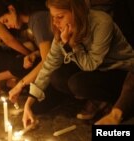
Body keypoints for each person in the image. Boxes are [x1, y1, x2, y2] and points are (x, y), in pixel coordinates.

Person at [22, 0, 134, 128]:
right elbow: (49, 64)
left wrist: (70, 45)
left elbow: (91, 64)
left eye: (60, 17)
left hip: (121, 71)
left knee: (77, 83)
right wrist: (28, 103)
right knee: (57, 75)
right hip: (97, 71)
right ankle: (97, 99)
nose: (55, 22)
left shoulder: (101, 22)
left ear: (76, 12)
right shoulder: (62, 30)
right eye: (53, 17)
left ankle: (112, 101)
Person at [0, 0, 53, 103]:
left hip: (63, 66)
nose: (8, 26)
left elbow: (48, 61)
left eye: (6, 20)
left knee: (37, 106)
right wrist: (35, 54)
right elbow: (52, 48)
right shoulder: (33, 21)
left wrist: (20, 84)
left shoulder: (38, 20)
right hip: (56, 62)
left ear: (12, 9)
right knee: (19, 64)